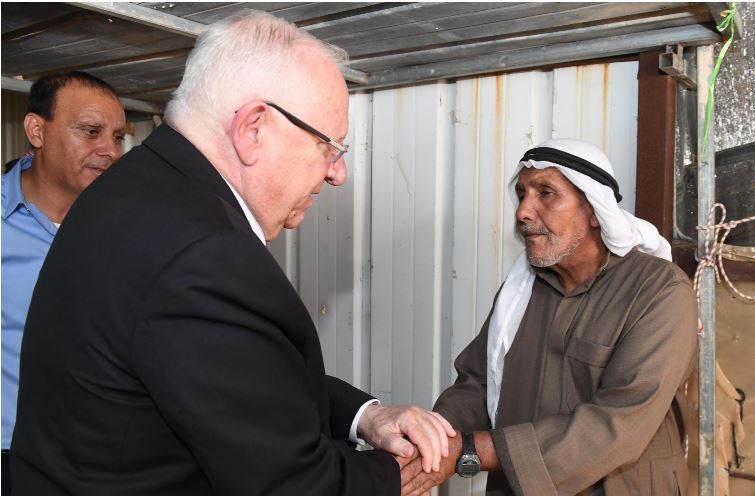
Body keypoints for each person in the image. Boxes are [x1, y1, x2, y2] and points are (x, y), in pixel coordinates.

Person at [11, 11, 453, 496]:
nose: (337, 173)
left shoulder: (133, 187)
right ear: (253, 128)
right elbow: (294, 486)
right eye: (330, 145)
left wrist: (366, 416)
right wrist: (407, 472)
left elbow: (228, 386)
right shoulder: (205, 253)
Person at [400, 139, 698, 495]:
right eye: (522, 193)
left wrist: (469, 450)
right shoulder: (523, 289)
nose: (523, 212)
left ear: (593, 210)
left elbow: (620, 420)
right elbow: (479, 385)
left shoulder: (658, 291)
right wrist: (427, 443)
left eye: (546, 193)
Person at [1, 71, 126, 494]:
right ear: (37, 130)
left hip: (105, 461)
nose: (110, 150)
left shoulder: (130, 227)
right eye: (91, 132)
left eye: (118, 136)